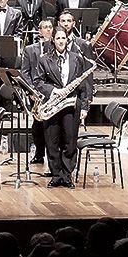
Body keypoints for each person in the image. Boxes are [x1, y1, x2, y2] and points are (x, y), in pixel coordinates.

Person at [32, 28, 94, 188]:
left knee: (70, 141)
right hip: (52, 104)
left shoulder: (77, 59)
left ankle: (67, 176)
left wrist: (85, 106)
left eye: (63, 38)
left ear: (67, 40)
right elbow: (38, 82)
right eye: (58, 38)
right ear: (53, 40)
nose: (61, 41)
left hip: (71, 105)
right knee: (52, 142)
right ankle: (56, 175)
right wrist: (53, 91)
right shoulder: (44, 59)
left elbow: (83, 84)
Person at [20, 18, 56, 166]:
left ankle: (53, 156)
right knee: (37, 126)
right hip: (35, 93)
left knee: (52, 126)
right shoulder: (30, 49)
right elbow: (25, 72)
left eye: (50, 27)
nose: (47, 30)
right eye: (44, 28)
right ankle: (39, 154)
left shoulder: (57, 48)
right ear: (39, 31)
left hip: (53, 92)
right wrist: (31, 91)